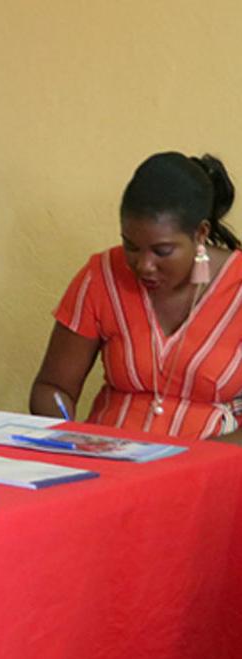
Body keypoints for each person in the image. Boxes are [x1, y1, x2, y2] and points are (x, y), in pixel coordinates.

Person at [30, 151, 242, 442]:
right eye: (131, 247)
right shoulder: (102, 276)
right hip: (105, 459)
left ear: (200, 233)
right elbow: (53, 387)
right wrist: (67, 436)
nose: (144, 265)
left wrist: (197, 461)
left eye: (162, 251)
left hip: (213, 462)